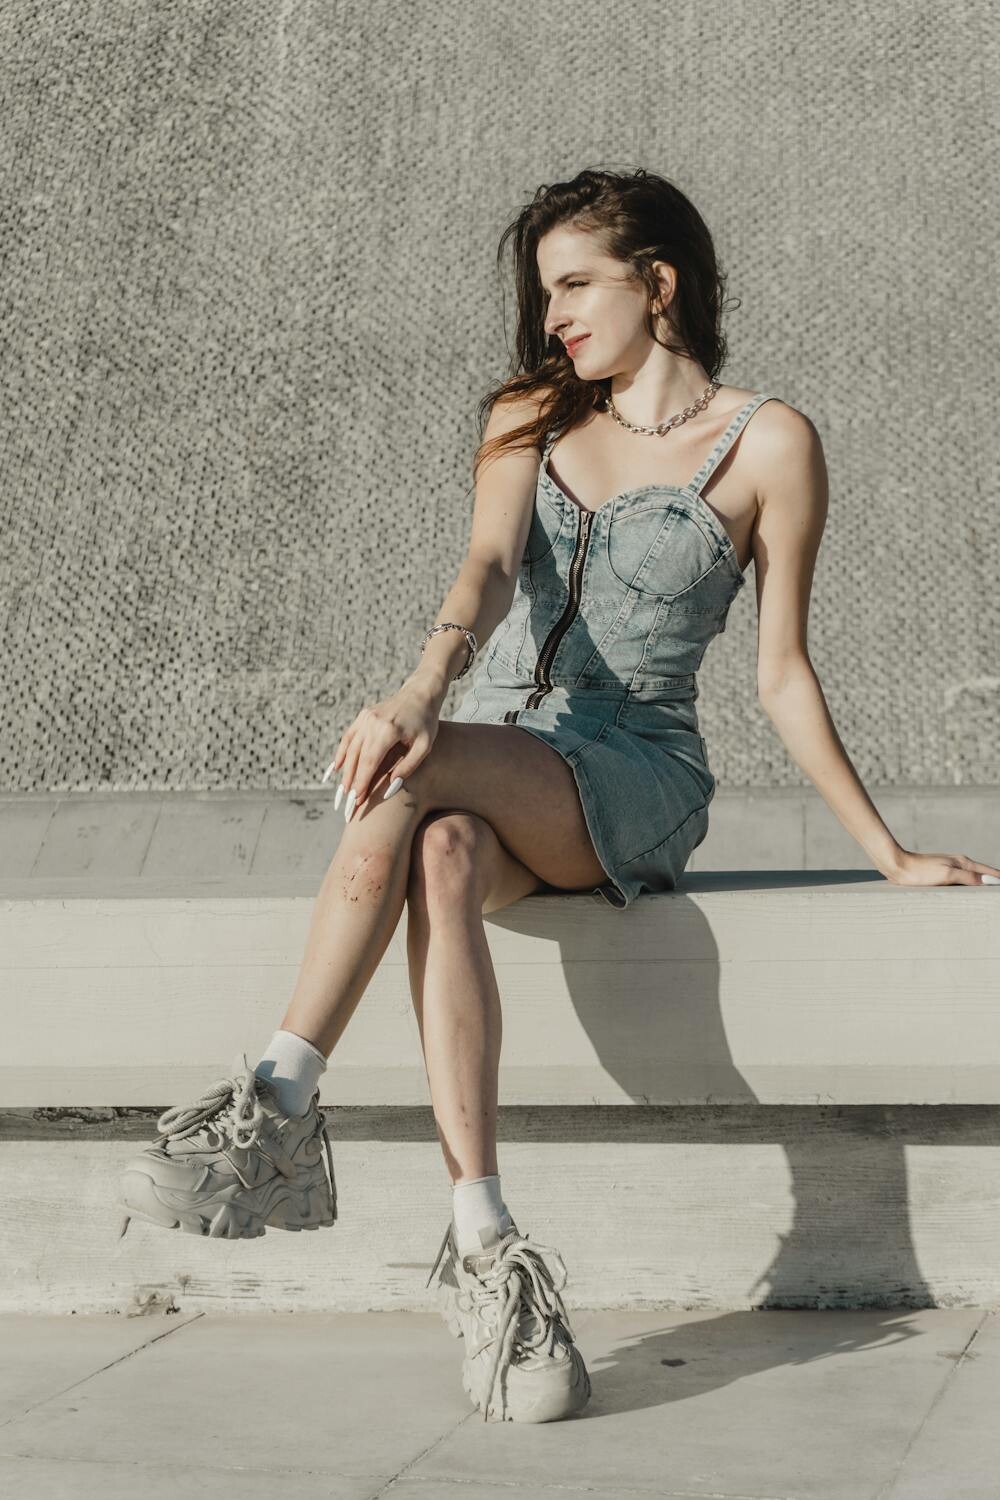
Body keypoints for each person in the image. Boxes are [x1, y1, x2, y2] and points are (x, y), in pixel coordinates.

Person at [116, 167, 1000, 1424]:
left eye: (576, 285)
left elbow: (782, 672)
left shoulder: (769, 443)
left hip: (636, 767)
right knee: (438, 852)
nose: (554, 317)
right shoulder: (527, 413)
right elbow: (485, 567)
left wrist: (889, 851)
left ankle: (275, 1106)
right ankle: (489, 1248)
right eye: (544, 293)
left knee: (410, 764)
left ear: (659, 281)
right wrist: (425, 687)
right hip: (495, 742)